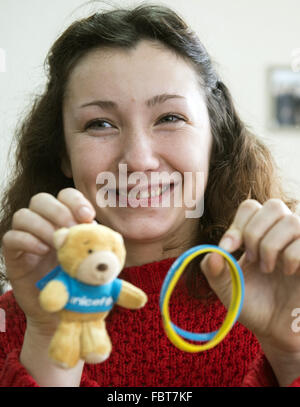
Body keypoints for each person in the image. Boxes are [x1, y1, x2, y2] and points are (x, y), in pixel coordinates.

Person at [0, 3, 300, 387]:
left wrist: (291, 352)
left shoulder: (286, 299)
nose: (139, 160)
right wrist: (53, 339)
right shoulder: (21, 322)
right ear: (63, 155)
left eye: (170, 118)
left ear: (215, 138)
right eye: (100, 124)